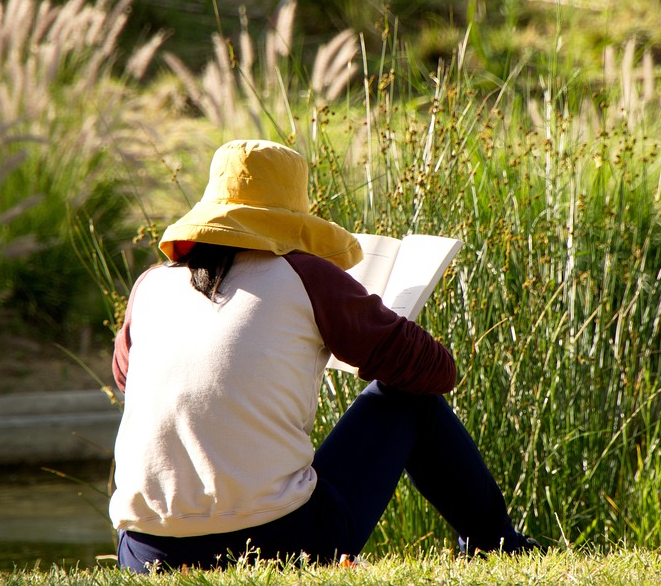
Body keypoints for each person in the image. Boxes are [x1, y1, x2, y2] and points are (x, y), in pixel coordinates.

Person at [108, 139, 538, 573]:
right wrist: (377, 322)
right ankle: (497, 544)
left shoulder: (149, 286)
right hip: (278, 545)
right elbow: (436, 371)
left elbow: (128, 379)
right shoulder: (306, 274)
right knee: (410, 399)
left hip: (146, 555)